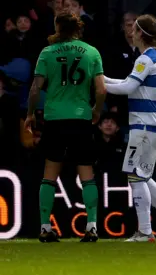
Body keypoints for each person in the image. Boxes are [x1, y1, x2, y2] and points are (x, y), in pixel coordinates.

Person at [103, 14, 156, 242]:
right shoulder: (152, 57)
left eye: (134, 29)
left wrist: (101, 84)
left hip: (143, 127)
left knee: (135, 177)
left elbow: (128, 87)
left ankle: (145, 231)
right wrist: (102, 79)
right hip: (153, 125)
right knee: (144, 176)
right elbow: (130, 84)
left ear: (141, 33)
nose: (131, 32)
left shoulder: (144, 60)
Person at [25, 13, 105, 243]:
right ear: (78, 28)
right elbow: (101, 90)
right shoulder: (91, 52)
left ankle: (44, 227)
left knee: (49, 175)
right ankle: (91, 226)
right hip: (81, 119)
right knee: (87, 174)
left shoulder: (47, 53)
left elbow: (34, 90)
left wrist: (30, 114)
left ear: (58, 27)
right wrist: (96, 110)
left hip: (55, 119)